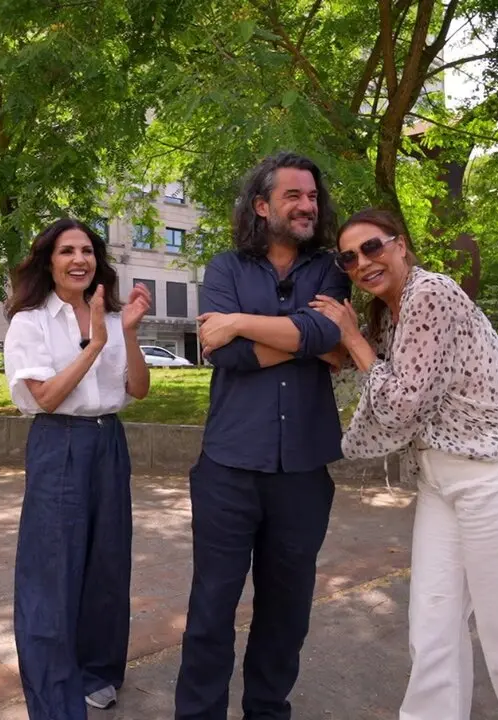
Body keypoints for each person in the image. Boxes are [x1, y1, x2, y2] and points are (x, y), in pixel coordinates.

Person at [310, 208, 498, 720]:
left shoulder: (431, 293)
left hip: (495, 478)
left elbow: (400, 404)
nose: (361, 263)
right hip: (440, 484)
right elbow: (383, 388)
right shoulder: (395, 313)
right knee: (432, 634)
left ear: (401, 244)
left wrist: (351, 339)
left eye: (372, 247)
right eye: (348, 257)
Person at [175, 151, 350, 719]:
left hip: (303, 470)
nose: (307, 205)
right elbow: (227, 353)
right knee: (211, 607)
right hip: (228, 466)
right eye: (293, 195)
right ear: (262, 204)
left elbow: (333, 333)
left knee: (287, 610)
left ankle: (267, 712)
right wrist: (309, 344)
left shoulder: (330, 269)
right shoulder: (225, 268)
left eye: (312, 196)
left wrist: (245, 324)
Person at [2, 218, 153, 717]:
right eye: (67, 251)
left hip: (109, 441)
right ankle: (53, 698)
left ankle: (99, 673)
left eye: (87, 250)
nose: (79, 260)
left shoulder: (109, 316)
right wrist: (93, 346)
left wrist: (125, 333)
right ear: (49, 261)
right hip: (59, 442)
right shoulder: (31, 321)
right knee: (52, 574)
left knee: (108, 566)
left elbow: (138, 389)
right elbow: (45, 396)